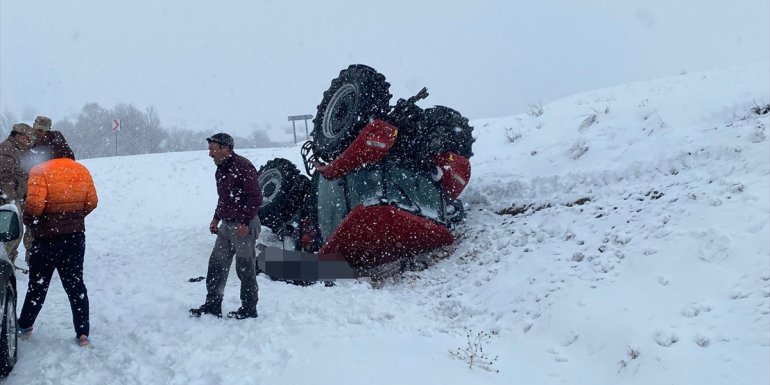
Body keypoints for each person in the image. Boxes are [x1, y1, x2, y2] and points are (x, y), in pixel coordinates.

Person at [17, 131, 98, 347]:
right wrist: (73, 218)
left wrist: (33, 222)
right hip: (75, 239)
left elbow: (34, 207)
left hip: (46, 239)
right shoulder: (81, 169)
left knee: (38, 286)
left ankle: (25, 326)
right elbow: (92, 201)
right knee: (76, 286)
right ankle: (83, 333)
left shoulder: (39, 171)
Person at [190, 133, 262, 319]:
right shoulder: (220, 170)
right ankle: (213, 304)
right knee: (216, 264)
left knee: (245, 268)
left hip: (244, 225)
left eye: (213, 149)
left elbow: (255, 198)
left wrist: (244, 222)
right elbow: (224, 198)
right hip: (226, 225)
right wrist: (216, 218)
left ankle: (249, 308)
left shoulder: (243, 167)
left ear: (226, 149)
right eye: (209, 150)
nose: (210, 154)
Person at [18, 115, 75, 265]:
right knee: (30, 224)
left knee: (49, 226)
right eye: (38, 130)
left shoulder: (55, 140)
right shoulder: (26, 140)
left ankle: (45, 257)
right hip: (30, 190)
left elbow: (69, 160)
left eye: (43, 130)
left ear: (48, 129)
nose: (40, 133)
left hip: (50, 191)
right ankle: (32, 257)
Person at [0, 123, 37, 265]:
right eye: (28, 137)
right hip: (9, 199)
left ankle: (8, 261)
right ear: (20, 136)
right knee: (12, 232)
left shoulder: (19, 149)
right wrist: (12, 200)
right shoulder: (6, 149)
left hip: (19, 196)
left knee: (16, 232)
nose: (29, 141)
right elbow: (5, 177)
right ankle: (5, 263)